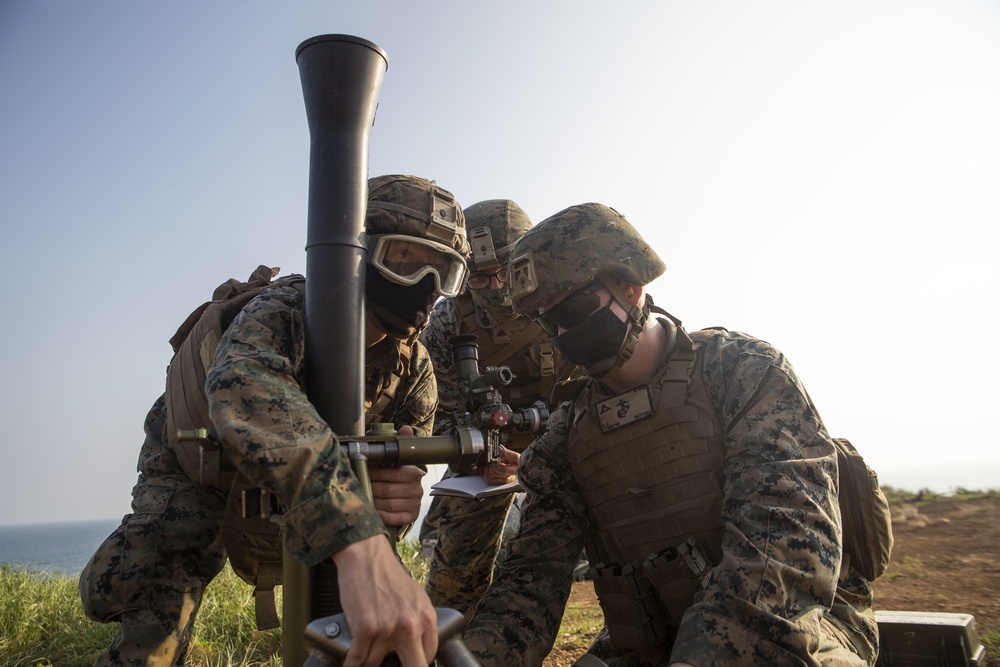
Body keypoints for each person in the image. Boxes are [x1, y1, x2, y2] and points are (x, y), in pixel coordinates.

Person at [462, 203, 881, 666]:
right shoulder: (567, 433)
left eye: (574, 309)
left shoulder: (742, 372)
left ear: (631, 286)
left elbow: (782, 543)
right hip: (651, 646)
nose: (562, 332)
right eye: (547, 320)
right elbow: (529, 581)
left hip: (799, 632)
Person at [78, 175, 470, 667]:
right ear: (360, 250)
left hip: (315, 491)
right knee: (153, 613)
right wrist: (358, 540)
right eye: (405, 261)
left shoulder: (414, 374)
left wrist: (396, 499)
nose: (426, 288)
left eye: (444, 273)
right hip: (201, 469)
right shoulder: (287, 309)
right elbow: (243, 386)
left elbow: (393, 491)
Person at [418, 199, 578, 618]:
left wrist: (542, 456)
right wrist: (476, 451)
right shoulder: (449, 320)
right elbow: (430, 398)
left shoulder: (562, 299)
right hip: (482, 463)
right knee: (454, 579)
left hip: (566, 447)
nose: (493, 287)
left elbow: (600, 389)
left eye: (505, 274)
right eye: (479, 278)